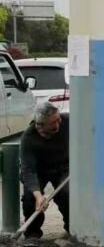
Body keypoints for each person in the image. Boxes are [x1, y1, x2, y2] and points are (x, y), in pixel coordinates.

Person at [19, 102, 70, 238]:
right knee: (30, 198)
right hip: (38, 170)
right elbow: (28, 170)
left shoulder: (68, 121)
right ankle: (32, 233)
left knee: (67, 194)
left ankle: (72, 227)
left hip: (63, 166)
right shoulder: (28, 138)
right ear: (40, 125)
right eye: (53, 123)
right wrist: (38, 196)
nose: (58, 125)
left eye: (58, 119)